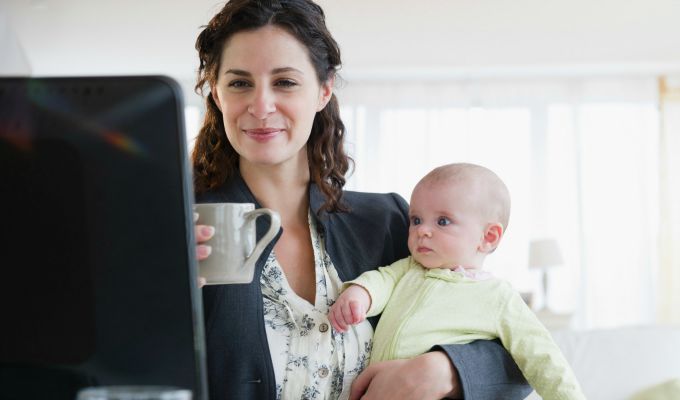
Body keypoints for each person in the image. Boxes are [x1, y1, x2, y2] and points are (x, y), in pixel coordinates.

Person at [191, 1, 532, 399]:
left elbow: (518, 355)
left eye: (284, 82)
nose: (261, 105)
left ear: (323, 90)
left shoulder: (388, 222)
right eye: (239, 83)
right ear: (216, 93)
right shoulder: (184, 230)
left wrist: (442, 371)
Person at [329, 163, 586, 399]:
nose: (422, 231)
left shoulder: (498, 296)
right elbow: (381, 280)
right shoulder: (408, 269)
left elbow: (541, 356)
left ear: (489, 237)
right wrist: (360, 294)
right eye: (416, 220)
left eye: (443, 221)